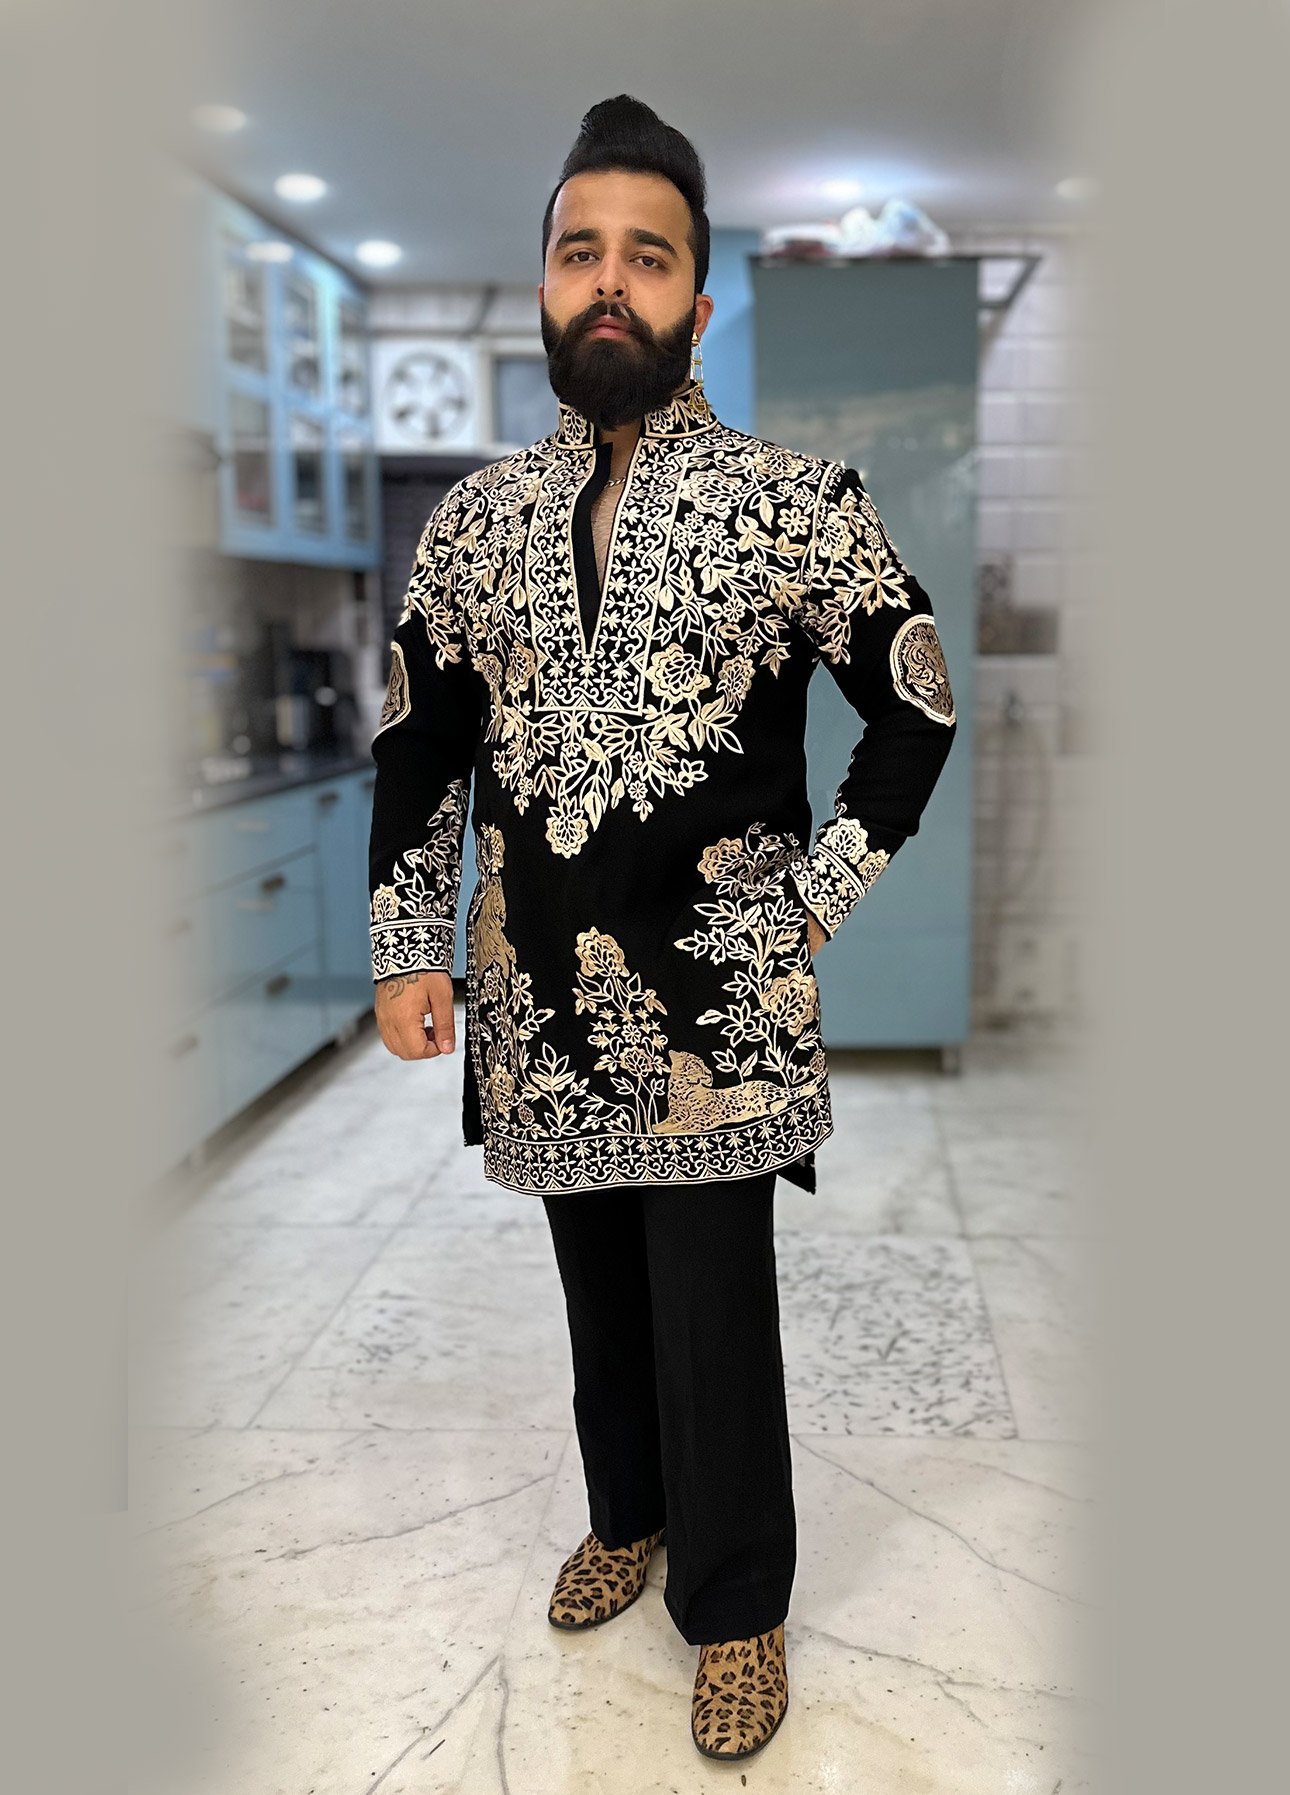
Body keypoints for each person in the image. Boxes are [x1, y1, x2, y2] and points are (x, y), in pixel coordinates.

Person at [368, 94, 958, 1761]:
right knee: (596, 1290)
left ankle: (737, 1600)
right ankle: (625, 1516)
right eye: (582, 253)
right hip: (534, 993)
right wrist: (410, 942)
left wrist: (814, 899)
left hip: (719, 1006)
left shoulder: (794, 501)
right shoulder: (472, 525)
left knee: (710, 1311)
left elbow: (913, 704)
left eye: (647, 256)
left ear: (698, 300)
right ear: (544, 291)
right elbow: (418, 745)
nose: (609, 282)